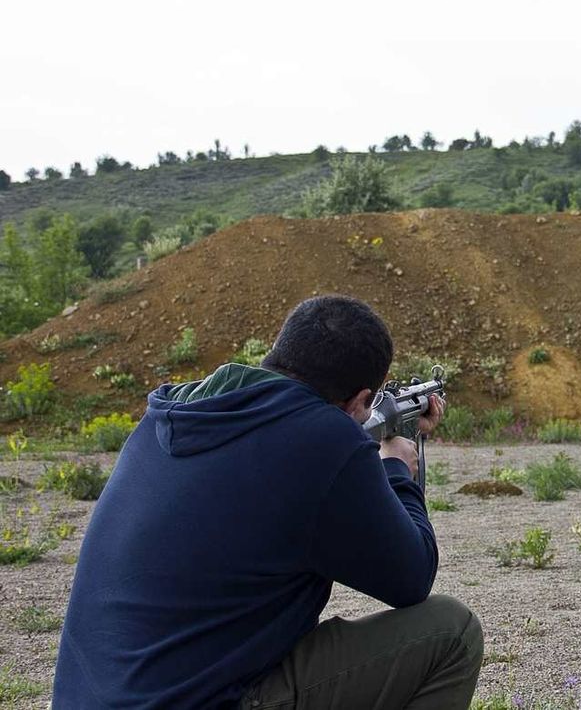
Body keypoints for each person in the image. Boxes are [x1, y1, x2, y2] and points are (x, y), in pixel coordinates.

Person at [53, 295, 483, 709]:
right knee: (452, 631)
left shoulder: (175, 412)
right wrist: (395, 470)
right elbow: (411, 577)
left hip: (90, 697)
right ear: (359, 401)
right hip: (200, 700)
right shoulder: (326, 441)